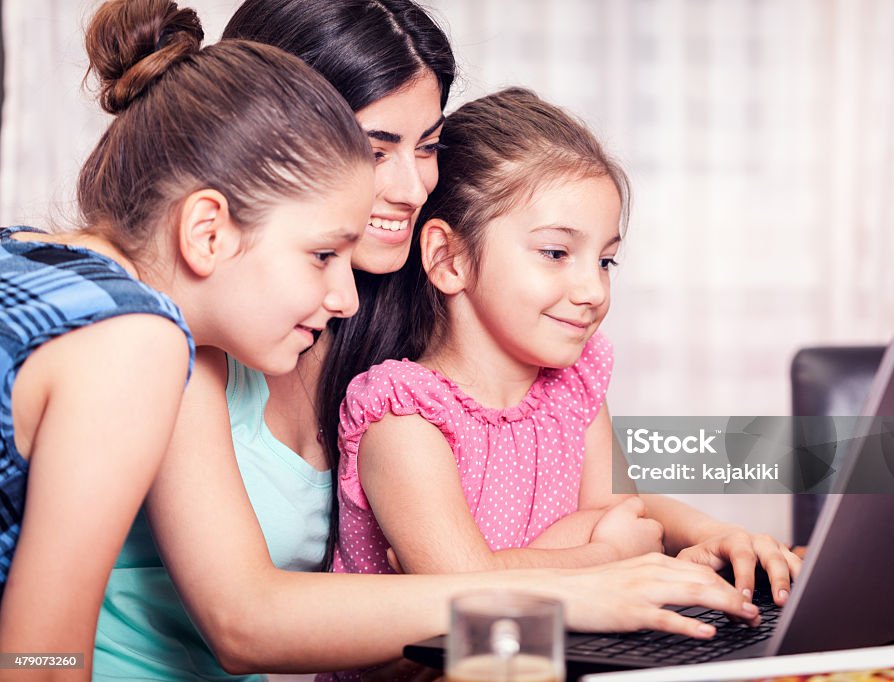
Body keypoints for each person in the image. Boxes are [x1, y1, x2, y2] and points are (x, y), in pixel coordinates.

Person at [90, 1, 791, 679]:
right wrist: (584, 574)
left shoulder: (384, 315)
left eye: (427, 146)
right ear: (272, 140)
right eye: (376, 148)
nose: (413, 185)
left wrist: (706, 530)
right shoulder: (189, 337)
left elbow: (604, 487)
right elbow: (246, 620)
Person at [0, 0, 374, 677]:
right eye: (323, 254)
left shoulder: (20, 254)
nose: (344, 296)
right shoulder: (134, 341)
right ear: (208, 232)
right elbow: (39, 661)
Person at [334, 87, 664, 582]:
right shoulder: (404, 415)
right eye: (555, 253)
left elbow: (627, 521)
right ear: (449, 259)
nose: (594, 289)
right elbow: (465, 591)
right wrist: (603, 553)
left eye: (605, 261)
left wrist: (502, 567)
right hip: (447, 663)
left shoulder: (575, 386)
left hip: (555, 648)